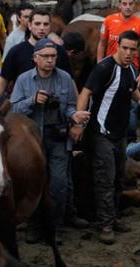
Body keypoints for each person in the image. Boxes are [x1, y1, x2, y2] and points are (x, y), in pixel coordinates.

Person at [76, 30, 140, 245]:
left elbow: (132, 88)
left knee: (119, 177)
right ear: (117, 46)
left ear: (137, 51)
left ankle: (113, 217)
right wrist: (79, 122)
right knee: (105, 179)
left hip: (120, 134)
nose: (128, 53)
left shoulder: (130, 69)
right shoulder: (104, 68)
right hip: (101, 133)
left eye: (133, 49)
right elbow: (85, 93)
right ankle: (105, 224)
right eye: (125, 48)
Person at [10, 38, 90, 243]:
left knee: (59, 184)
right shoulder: (24, 80)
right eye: (45, 56)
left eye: (53, 56)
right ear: (35, 58)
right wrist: (32, 100)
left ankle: (54, 228)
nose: (50, 60)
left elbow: (71, 105)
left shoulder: (64, 77)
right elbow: (13, 110)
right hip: (32, 140)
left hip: (58, 137)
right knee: (34, 183)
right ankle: (34, 226)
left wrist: (75, 117)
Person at [97, 0, 140, 144]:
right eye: (124, 3)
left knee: (131, 104)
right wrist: (99, 65)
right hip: (110, 69)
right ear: (119, 5)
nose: (127, 7)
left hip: (130, 68)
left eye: (131, 4)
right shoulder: (108, 21)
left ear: (135, 5)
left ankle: (130, 138)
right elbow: (102, 43)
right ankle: (104, 132)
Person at [0, 8, 71, 104]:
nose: (42, 28)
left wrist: (77, 111)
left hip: (53, 109)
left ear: (50, 26)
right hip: (23, 110)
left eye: (45, 24)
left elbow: (70, 82)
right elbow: (2, 82)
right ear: (29, 26)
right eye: (37, 24)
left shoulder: (60, 51)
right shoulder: (16, 52)